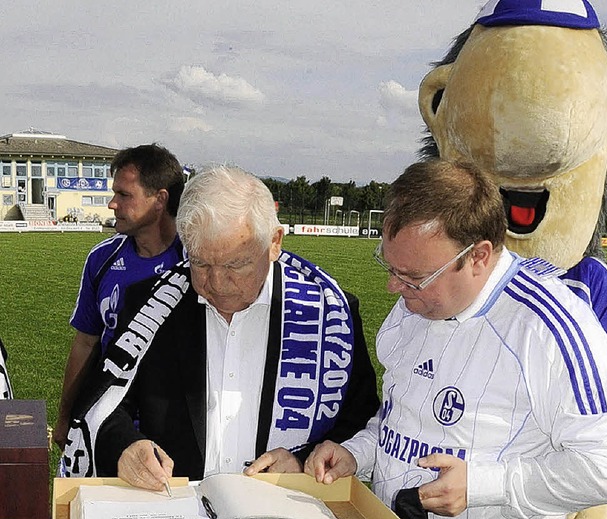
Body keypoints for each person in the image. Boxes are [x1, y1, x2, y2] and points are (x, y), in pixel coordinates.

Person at [305, 159, 607, 519]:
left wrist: (486, 485)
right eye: (390, 266)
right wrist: (357, 452)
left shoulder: (550, 326)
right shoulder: (416, 305)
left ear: (478, 256)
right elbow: (402, 414)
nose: (393, 287)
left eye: (412, 276)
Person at [62, 164, 380, 491]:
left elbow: (359, 421)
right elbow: (106, 403)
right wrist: (125, 447)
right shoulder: (147, 304)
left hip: (283, 514)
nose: (216, 283)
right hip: (174, 514)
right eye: (200, 262)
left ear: (274, 242)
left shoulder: (326, 315)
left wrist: (302, 460)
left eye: (235, 264)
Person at [53, 144, 186, 448]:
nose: (113, 204)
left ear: (159, 200)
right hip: (109, 420)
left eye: (124, 195)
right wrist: (65, 417)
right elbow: (86, 342)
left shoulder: (195, 261)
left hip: (177, 423)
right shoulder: (102, 259)